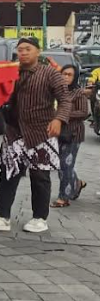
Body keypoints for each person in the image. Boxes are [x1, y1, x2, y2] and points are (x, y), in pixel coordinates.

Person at [0, 38, 72, 233]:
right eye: (20, 49)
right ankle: (2, 216)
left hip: (41, 132)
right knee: (8, 173)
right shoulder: (11, 73)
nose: (23, 53)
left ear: (37, 52)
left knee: (40, 176)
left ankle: (40, 217)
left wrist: (58, 120)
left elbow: (65, 100)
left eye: (27, 49)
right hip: (14, 131)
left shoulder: (50, 74)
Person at [52, 64, 89, 208]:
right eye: (64, 74)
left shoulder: (78, 92)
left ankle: (64, 198)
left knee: (65, 165)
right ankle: (77, 183)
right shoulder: (58, 91)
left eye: (69, 75)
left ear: (75, 77)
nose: (65, 77)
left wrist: (62, 114)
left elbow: (83, 113)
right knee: (63, 164)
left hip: (73, 134)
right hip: (58, 132)